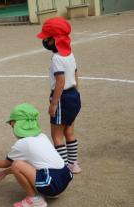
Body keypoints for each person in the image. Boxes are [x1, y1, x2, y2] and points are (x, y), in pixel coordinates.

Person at [0, 103, 73, 207]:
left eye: (12, 124)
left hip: (51, 183)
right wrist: (5, 172)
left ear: (17, 124)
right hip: (63, 177)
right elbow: (36, 163)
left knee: (17, 164)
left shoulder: (22, 143)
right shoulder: (42, 136)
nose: (12, 127)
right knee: (22, 163)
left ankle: (34, 200)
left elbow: (7, 163)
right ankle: (52, 192)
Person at [36, 17, 82, 173]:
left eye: (47, 38)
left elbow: (60, 82)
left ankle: (63, 167)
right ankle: (73, 164)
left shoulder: (56, 58)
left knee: (57, 135)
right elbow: (75, 74)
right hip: (74, 96)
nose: (45, 41)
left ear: (54, 39)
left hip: (62, 99)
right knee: (69, 131)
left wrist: (54, 104)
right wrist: (76, 93)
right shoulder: (70, 54)